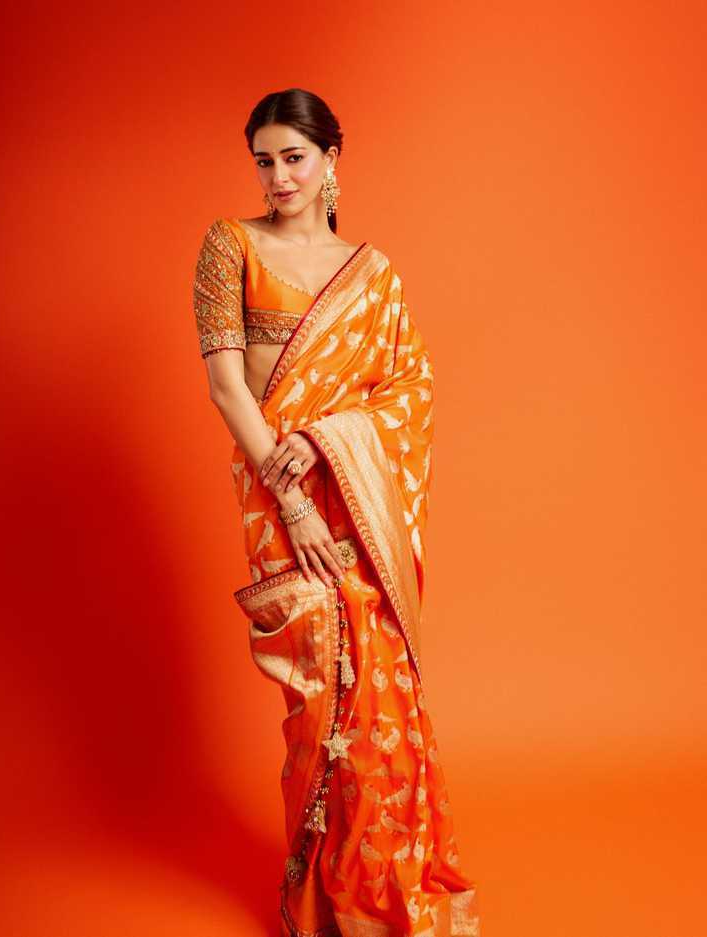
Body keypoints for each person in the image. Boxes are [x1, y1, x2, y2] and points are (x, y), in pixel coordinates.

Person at [193, 88, 480, 937]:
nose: (279, 176)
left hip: (354, 501)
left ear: (330, 159)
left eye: (294, 157)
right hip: (278, 499)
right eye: (265, 160)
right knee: (319, 697)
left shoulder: (373, 273)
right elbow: (227, 387)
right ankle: (324, 896)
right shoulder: (230, 246)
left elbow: (409, 390)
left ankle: (382, 889)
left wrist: (326, 442)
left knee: (379, 700)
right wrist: (292, 499)